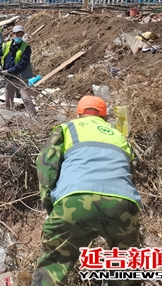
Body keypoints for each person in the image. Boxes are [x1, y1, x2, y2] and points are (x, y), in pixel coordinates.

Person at [32, 96, 142, 286]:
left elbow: (46, 165)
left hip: (74, 202)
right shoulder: (119, 136)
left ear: (79, 113)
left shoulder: (68, 128)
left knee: (51, 269)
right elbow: (130, 175)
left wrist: (49, 203)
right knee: (125, 271)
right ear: (105, 117)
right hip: (122, 205)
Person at [0, 25, 37, 117]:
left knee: (26, 98)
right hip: (9, 77)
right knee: (9, 98)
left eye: (21, 35)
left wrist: (9, 71)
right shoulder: (6, 46)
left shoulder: (25, 48)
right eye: (17, 34)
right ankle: (8, 115)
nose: (19, 37)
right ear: (12, 34)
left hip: (21, 78)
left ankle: (33, 117)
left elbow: (22, 64)